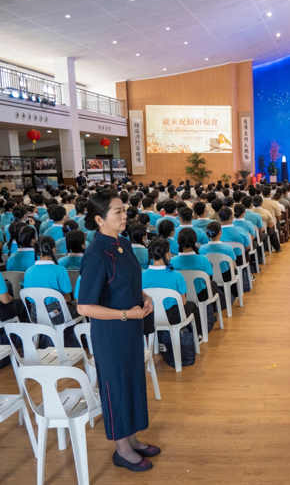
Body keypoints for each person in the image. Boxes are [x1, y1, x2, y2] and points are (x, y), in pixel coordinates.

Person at [76, 189, 158, 472]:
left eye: (124, 210)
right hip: (112, 334)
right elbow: (84, 307)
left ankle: (132, 438)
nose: (125, 216)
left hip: (131, 327)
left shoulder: (121, 243)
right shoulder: (97, 254)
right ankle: (122, 449)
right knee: (116, 387)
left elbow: (129, 283)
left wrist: (144, 297)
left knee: (133, 381)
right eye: (118, 212)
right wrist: (126, 313)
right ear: (99, 219)